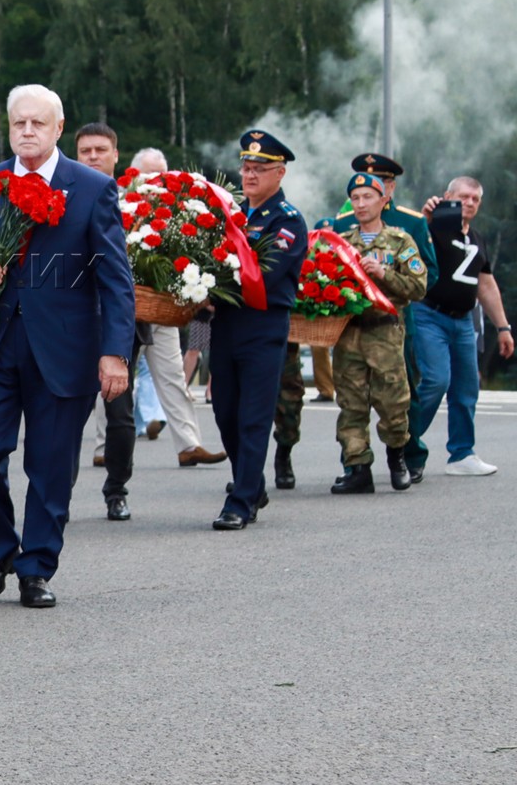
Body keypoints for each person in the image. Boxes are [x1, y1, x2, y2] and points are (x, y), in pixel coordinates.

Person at [0, 87, 132, 607]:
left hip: (66, 349)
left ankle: (36, 566)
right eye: (18, 123)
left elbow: (116, 280)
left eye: (37, 123)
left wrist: (114, 351)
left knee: (52, 463)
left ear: (59, 129)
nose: (26, 131)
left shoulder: (93, 188)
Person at [210, 131, 307, 530]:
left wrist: (209, 282)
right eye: (246, 168)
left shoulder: (287, 221)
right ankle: (252, 481)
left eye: (259, 169)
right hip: (225, 322)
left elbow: (265, 275)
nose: (249, 176)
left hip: (263, 324)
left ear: (279, 173)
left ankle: (242, 499)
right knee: (224, 411)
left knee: (253, 415)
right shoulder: (230, 214)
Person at [408, 177, 515, 478]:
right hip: (429, 313)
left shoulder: (477, 239)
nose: (469, 202)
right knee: (436, 380)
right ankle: (405, 445)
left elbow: (487, 285)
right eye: (464, 197)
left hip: (463, 321)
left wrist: (503, 328)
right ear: (447, 197)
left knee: (467, 388)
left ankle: (462, 454)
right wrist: (426, 216)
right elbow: (408, 244)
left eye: (475, 199)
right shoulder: (432, 227)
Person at [126, 147, 226, 470]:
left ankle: (189, 444)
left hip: (163, 308)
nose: (159, 181)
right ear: (135, 175)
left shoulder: (177, 211)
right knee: (116, 380)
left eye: (163, 174)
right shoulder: (119, 206)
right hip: (126, 308)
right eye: (151, 174)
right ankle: (105, 447)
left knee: (173, 377)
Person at [328, 173, 428, 492]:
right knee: (351, 402)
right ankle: (357, 467)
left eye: (368, 197)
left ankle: (397, 457)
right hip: (349, 333)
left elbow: (418, 287)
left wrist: (383, 273)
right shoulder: (343, 243)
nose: (360, 204)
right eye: (355, 198)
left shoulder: (400, 241)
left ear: (383, 201)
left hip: (384, 332)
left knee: (393, 401)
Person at [71, 122, 141, 521]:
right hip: (75, 319)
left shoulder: (144, 205)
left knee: (120, 412)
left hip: (119, 321)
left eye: (100, 150)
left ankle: (116, 488)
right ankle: (57, 490)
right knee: (65, 411)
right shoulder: (63, 197)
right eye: (85, 151)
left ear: (116, 155)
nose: (93, 157)